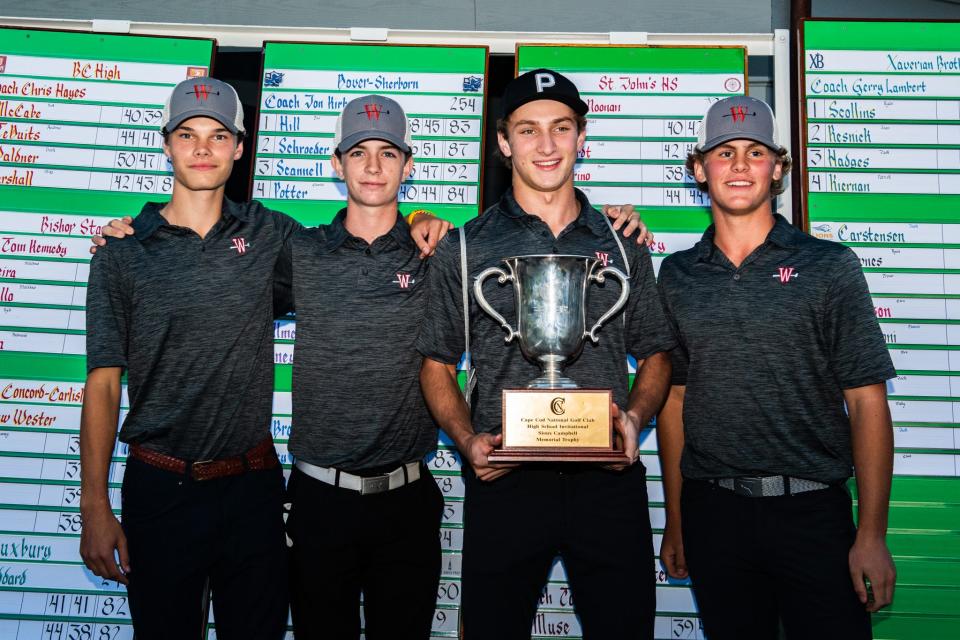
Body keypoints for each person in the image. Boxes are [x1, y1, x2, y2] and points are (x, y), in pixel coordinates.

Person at [416, 69, 676, 639]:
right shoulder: (463, 247)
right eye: (528, 130)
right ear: (504, 143)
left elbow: (656, 352)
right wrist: (466, 442)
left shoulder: (622, 242)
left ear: (582, 138)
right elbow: (437, 364)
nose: (547, 145)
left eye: (561, 128)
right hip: (505, 479)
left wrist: (633, 419)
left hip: (607, 476)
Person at [656, 95, 897, 639]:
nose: (739, 165)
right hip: (713, 512)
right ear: (699, 169)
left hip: (814, 514)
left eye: (755, 152)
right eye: (724, 153)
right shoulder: (676, 275)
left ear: (778, 168)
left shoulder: (829, 266)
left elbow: (866, 402)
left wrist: (872, 534)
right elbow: (675, 400)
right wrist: (676, 518)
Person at [79, 77, 293, 639]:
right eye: (188, 134)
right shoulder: (121, 252)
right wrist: (94, 507)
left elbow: (357, 242)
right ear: (167, 144)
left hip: (253, 486)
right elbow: (102, 385)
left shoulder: (271, 235)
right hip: (159, 489)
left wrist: (419, 221)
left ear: (240, 147)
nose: (203, 149)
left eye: (219, 135)